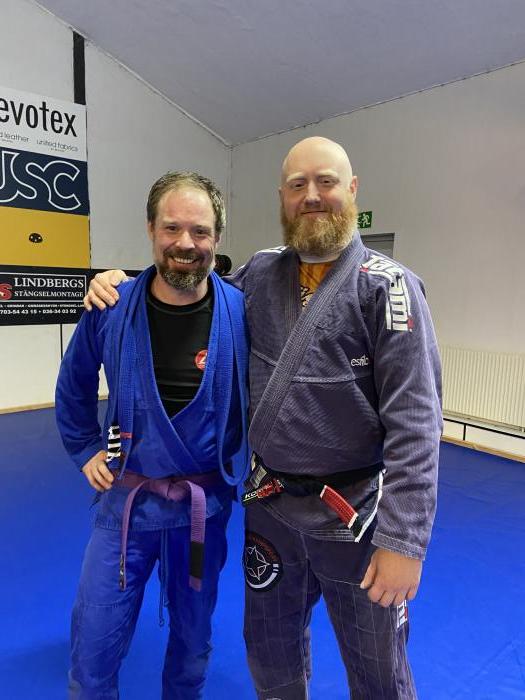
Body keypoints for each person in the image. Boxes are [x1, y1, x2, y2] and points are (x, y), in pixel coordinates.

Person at [84, 137, 442, 700]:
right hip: (271, 507)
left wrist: (405, 540)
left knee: (377, 669)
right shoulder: (262, 273)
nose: (312, 196)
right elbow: (190, 288)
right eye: (298, 185)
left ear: (352, 190)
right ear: (282, 197)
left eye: (326, 182)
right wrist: (120, 285)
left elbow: (416, 425)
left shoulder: (388, 287)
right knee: (269, 653)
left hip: (352, 517)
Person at [56, 171, 249, 700]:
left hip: (202, 509)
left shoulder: (240, 312)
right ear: (150, 229)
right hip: (127, 502)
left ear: (217, 238)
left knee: (193, 640)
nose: (186, 243)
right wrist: (85, 448)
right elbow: (73, 383)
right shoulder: (111, 305)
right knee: (93, 642)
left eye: (200, 231)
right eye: (172, 228)